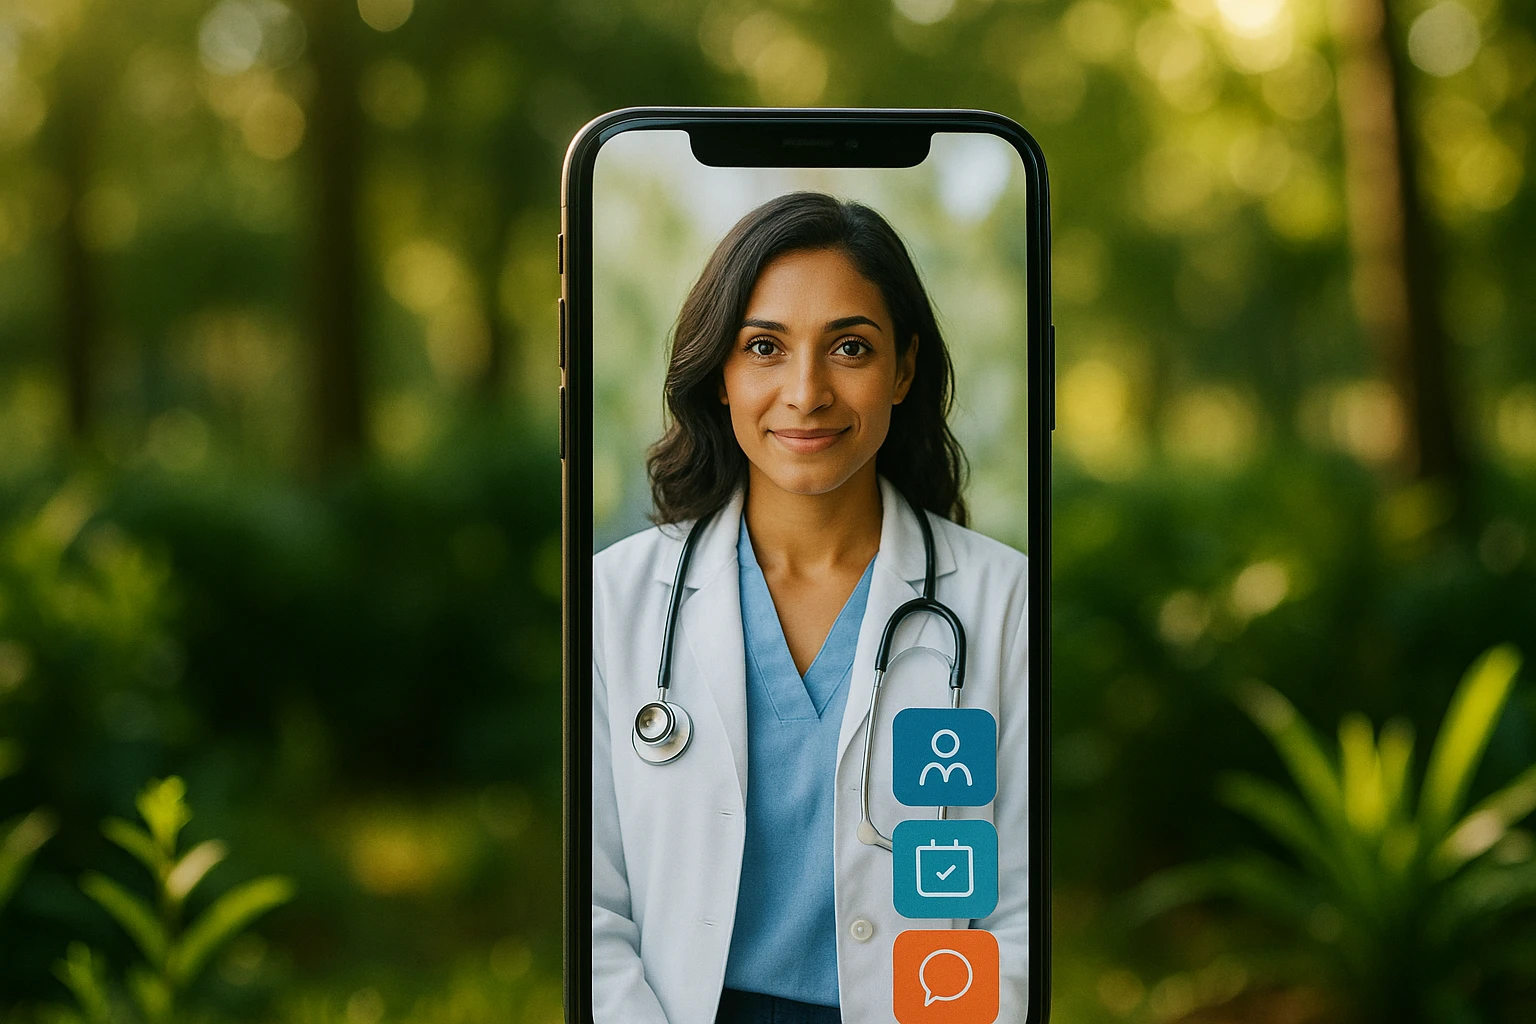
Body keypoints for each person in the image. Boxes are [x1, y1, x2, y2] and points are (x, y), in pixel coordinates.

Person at [591, 192, 1029, 1024]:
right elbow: (593, 909)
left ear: (903, 369)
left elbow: (1014, 913)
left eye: (850, 348)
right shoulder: (618, 598)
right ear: (719, 372)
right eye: (764, 347)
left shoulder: (1001, 600)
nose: (806, 391)